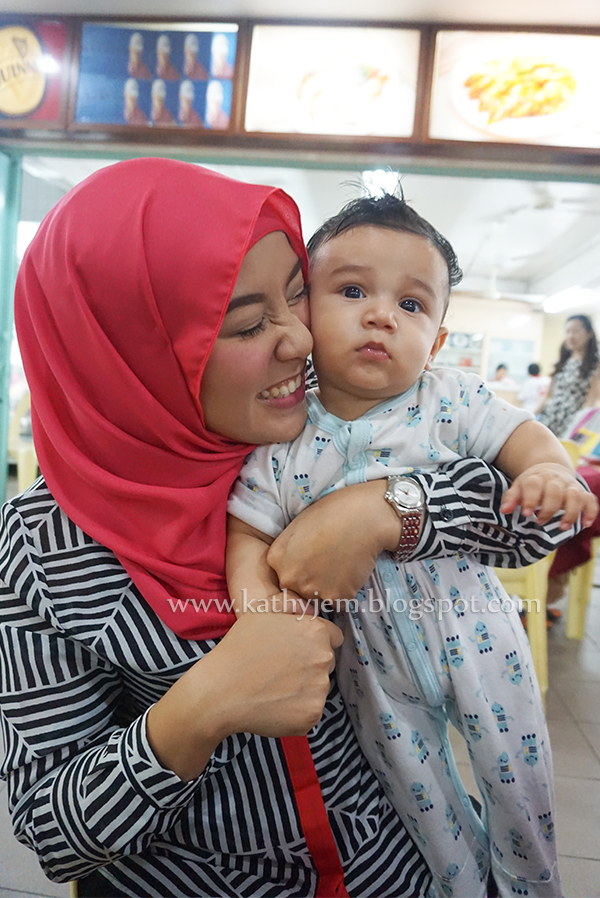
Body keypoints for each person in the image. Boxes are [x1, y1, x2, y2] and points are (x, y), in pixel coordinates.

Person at [0, 160, 584, 898]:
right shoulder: (45, 544)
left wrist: (386, 510)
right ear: (135, 351)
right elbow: (54, 833)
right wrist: (203, 704)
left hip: (396, 860)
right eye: (248, 324)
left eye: (296, 299)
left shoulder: (306, 420)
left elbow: (528, 529)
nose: (301, 343)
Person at [227, 195, 596, 898]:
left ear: (437, 339)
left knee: (520, 784)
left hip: (476, 629)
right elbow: (247, 525)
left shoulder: (449, 399)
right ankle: (459, 887)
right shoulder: (285, 429)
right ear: (305, 312)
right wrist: (259, 607)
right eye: (353, 290)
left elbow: (521, 439)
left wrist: (549, 467)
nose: (381, 315)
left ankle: (532, 887)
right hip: (367, 658)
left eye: (413, 305)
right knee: (418, 790)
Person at [538, 314, 600, 437]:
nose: (570, 336)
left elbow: (591, 400)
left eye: (576, 331)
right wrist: (532, 415)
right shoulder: (562, 360)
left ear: (588, 333)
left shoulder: (595, 365)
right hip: (549, 418)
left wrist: (577, 430)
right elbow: (548, 395)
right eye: (567, 331)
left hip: (571, 424)